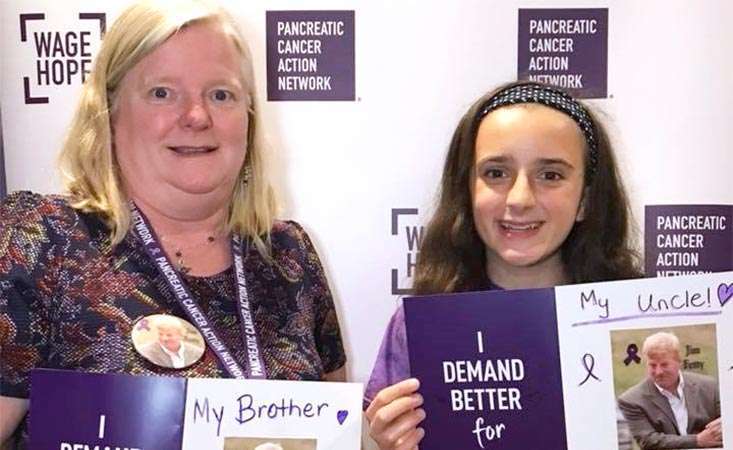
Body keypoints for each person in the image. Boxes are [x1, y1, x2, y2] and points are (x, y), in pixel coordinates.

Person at [0, 1, 346, 447]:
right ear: (109, 110)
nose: (197, 116)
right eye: (162, 92)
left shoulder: (289, 255)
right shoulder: (42, 243)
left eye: (221, 94)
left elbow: (334, 430)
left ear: (249, 118)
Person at [364, 81, 643, 449]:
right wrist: (380, 444)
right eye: (496, 172)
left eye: (551, 175)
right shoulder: (421, 326)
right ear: (466, 189)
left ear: (586, 199)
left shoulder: (636, 319)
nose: (520, 198)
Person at [617, 332, 722, 449]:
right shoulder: (630, 400)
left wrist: (725, 423)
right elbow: (648, 441)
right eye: (652, 365)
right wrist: (697, 440)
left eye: (664, 365)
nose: (658, 372)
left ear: (679, 362)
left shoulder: (710, 386)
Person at [137, 315, 204, 369]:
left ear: (180, 335)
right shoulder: (146, 351)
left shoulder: (197, 352)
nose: (164, 338)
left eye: (169, 335)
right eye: (160, 334)